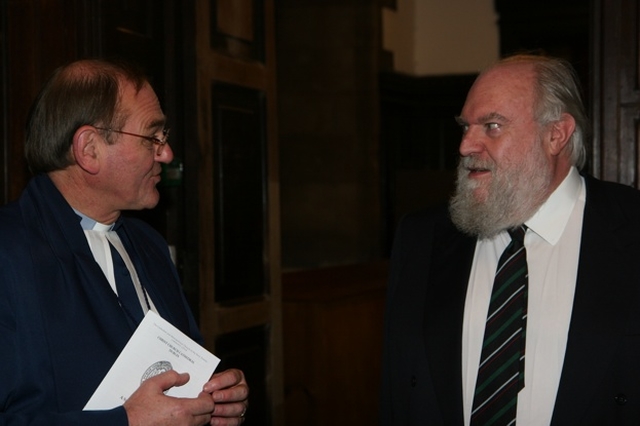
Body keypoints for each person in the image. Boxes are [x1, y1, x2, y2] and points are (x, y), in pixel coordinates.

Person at [380, 53, 640, 425]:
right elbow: (397, 395)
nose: (466, 145)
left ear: (556, 134)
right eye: (465, 126)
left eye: (492, 126)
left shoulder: (632, 230)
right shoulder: (421, 237)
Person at [0, 59, 249, 425]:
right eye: (153, 137)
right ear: (89, 149)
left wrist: (216, 399)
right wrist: (125, 422)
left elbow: (181, 366)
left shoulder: (148, 243)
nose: (166, 153)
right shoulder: (8, 251)